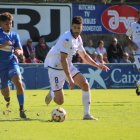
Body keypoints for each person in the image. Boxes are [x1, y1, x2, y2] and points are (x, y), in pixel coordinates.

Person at [44, 16, 109, 120]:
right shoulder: (67, 38)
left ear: (81, 27)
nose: (77, 30)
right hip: (55, 67)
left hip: (67, 65)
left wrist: (98, 65)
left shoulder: (78, 39)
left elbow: (84, 56)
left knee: (85, 84)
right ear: (71, 27)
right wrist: (70, 79)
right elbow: (63, 59)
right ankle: (53, 92)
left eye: (79, 28)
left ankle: (86, 114)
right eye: (75, 27)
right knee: (60, 101)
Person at [0, 12, 26, 118]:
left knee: (19, 83)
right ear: (1, 24)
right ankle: (7, 98)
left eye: (10, 23)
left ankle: (22, 109)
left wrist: (19, 52)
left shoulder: (15, 35)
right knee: (5, 93)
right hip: (1, 66)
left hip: (12, 62)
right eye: (6, 24)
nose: (9, 25)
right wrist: (4, 45)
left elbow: (19, 48)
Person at [126, 10, 140, 95]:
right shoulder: (133, 25)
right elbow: (127, 36)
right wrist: (131, 44)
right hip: (138, 53)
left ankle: (138, 83)